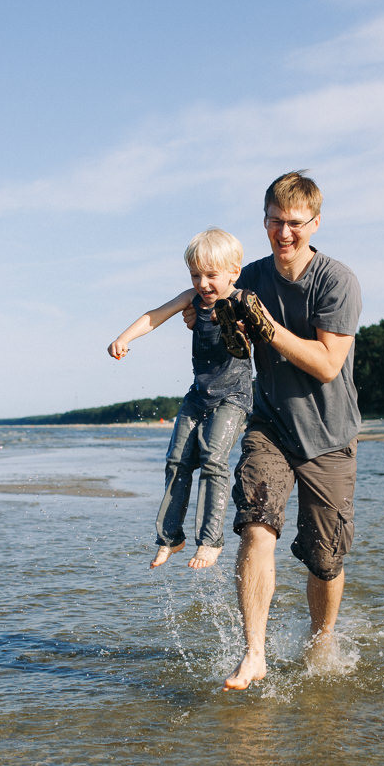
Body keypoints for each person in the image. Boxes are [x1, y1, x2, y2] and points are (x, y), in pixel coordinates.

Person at [198, 171, 362, 691]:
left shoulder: (336, 281)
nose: (284, 232)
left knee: (324, 558)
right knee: (256, 526)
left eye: (295, 223)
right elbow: (230, 337)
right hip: (268, 426)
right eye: (275, 221)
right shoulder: (250, 277)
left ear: (315, 223)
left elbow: (327, 364)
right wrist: (213, 321)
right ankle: (254, 654)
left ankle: (323, 639)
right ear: (264, 221)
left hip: (329, 436)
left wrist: (267, 327)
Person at [108, 228, 253, 570]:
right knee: (177, 461)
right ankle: (171, 538)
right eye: (195, 275)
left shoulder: (242, 301)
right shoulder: (192, 299)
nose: (203, 283)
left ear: (234, 271)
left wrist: (239, 325)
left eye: (211, 275)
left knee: (214, 461)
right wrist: (124, 337)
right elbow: (155, 315)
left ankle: (210, 540)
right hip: (197, 396)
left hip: (233, 398)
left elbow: (254, 339)